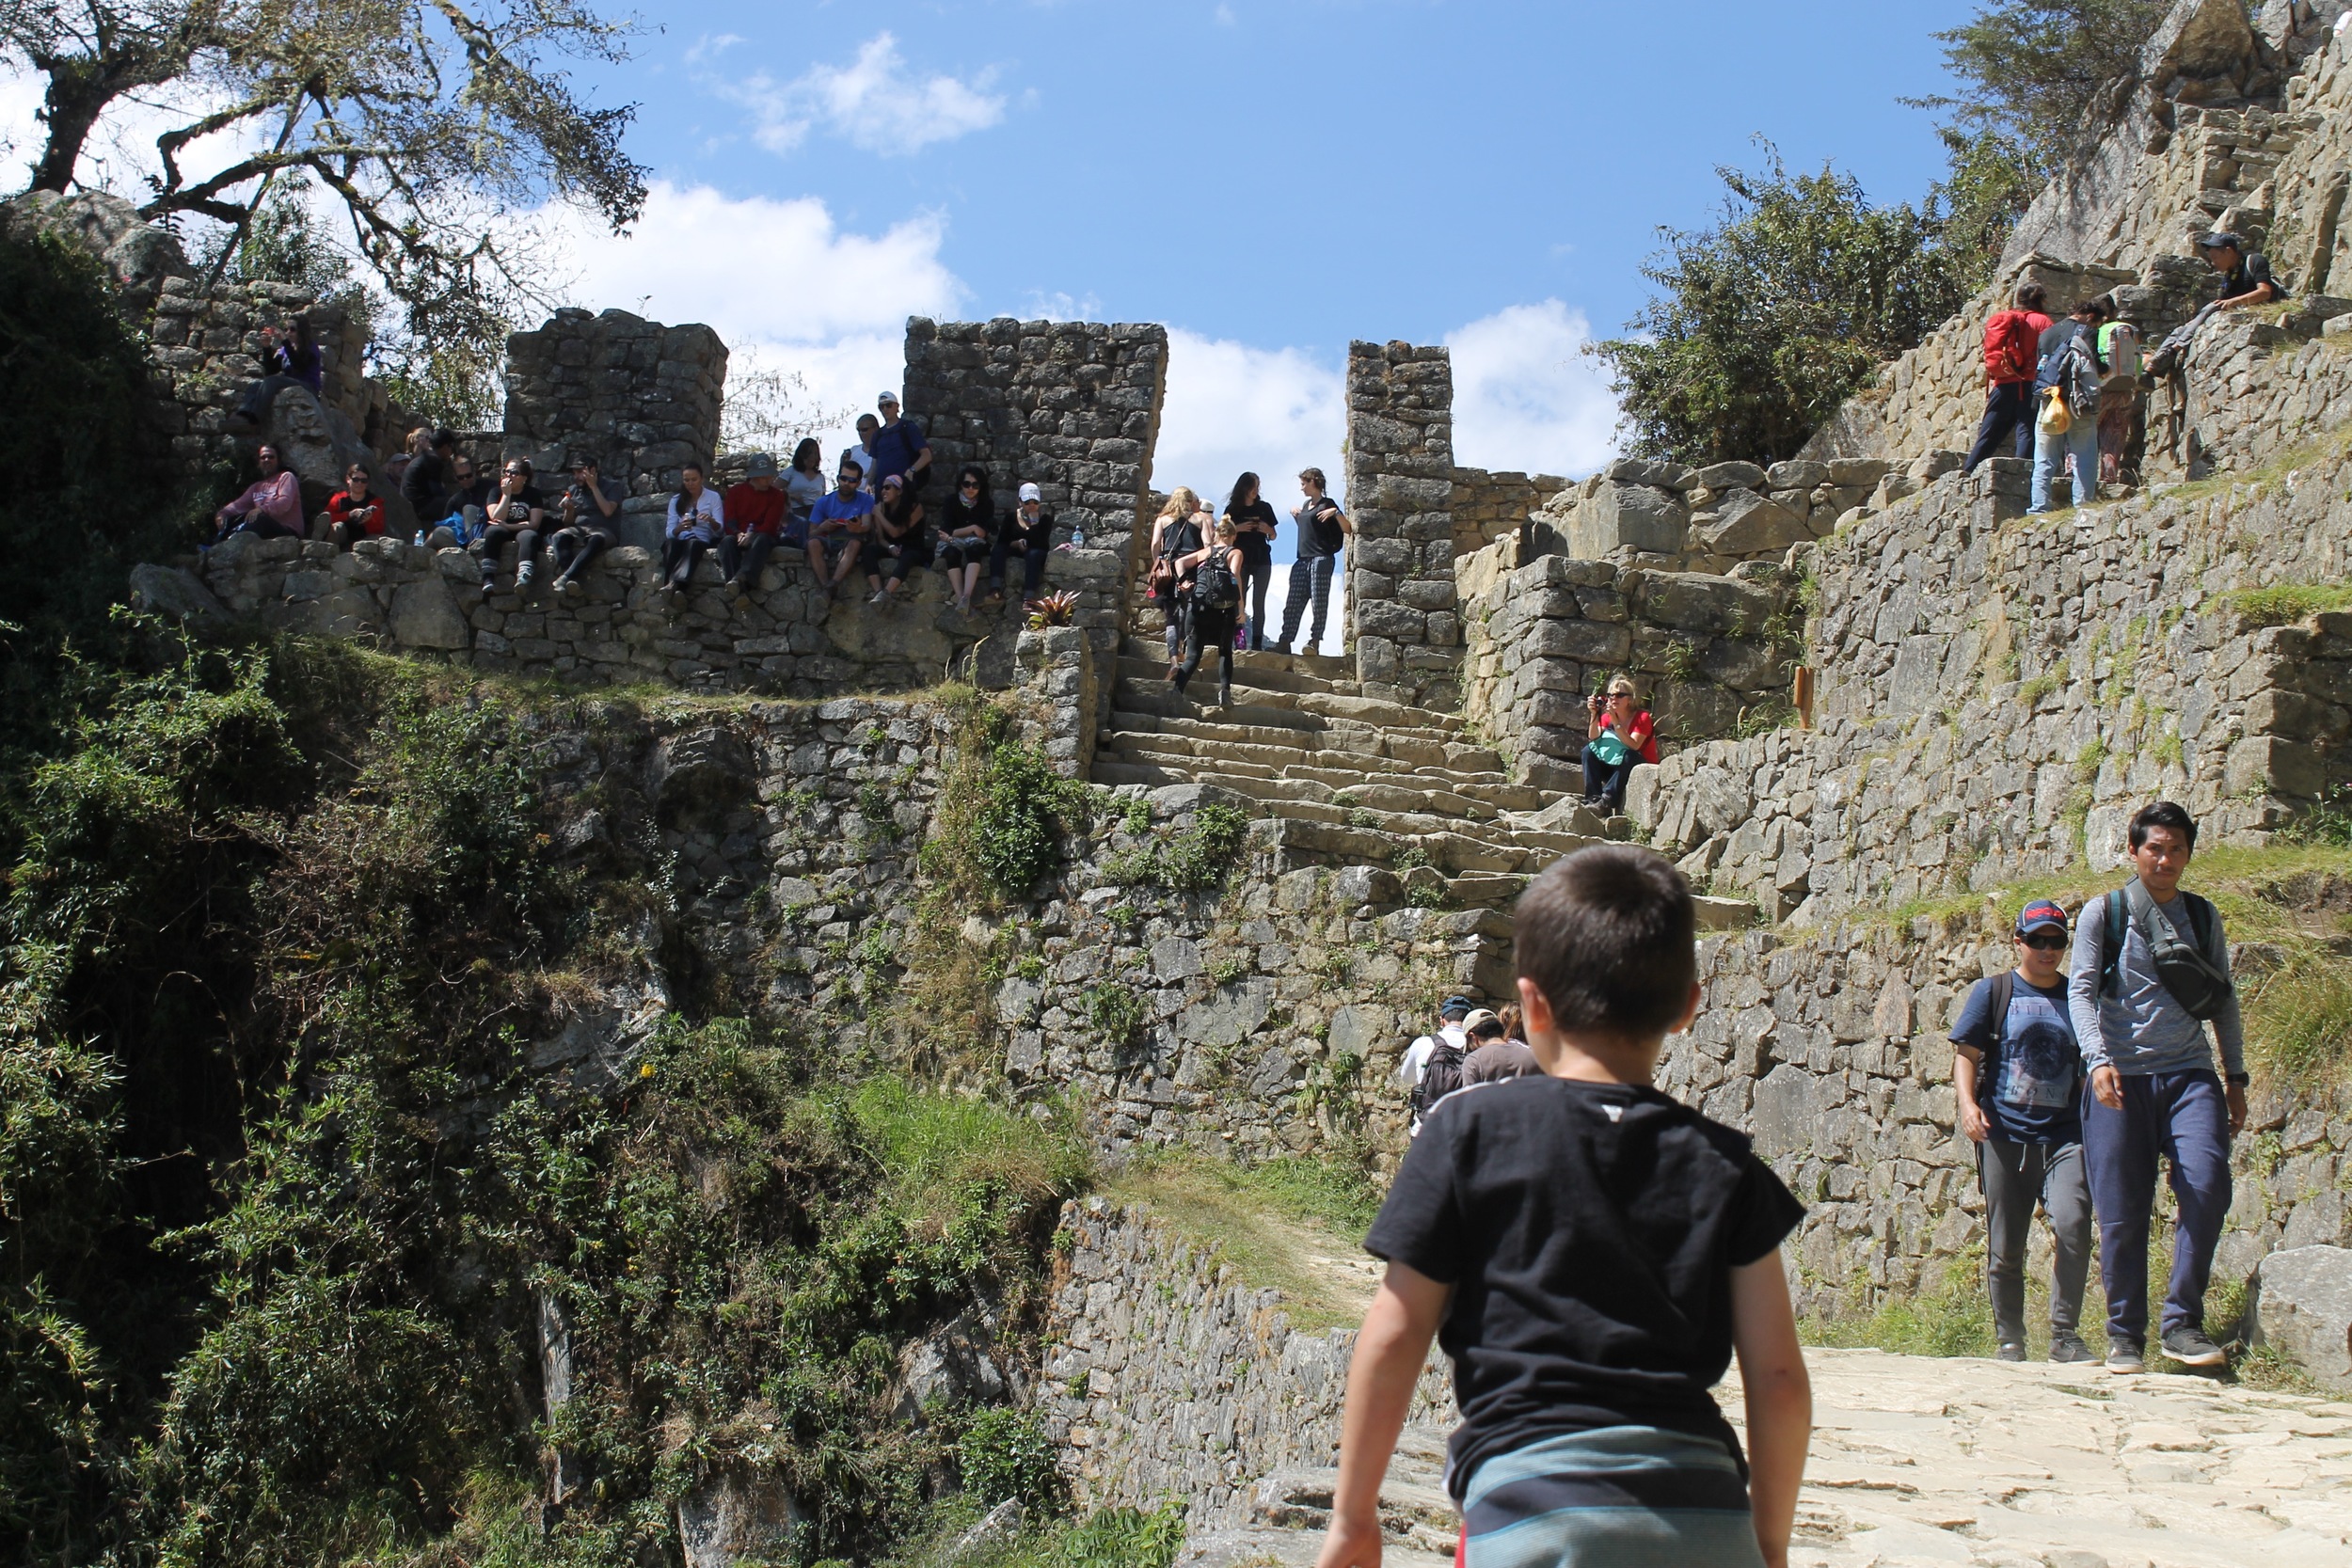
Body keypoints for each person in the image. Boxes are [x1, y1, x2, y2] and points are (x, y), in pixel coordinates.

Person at [1318, 846, 1811, 1568]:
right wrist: (1766, 1542)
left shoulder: (1467, 1132)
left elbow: (1395, 1334)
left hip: (1530, 1504)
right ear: (1687, 1008)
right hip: (1703, 1512)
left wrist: (1354, 1517)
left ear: (1531, 1005)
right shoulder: (1725, 1163)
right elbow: (1779, 1379)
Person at [2068, 800, 2246, 1374]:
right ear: (2133, 850)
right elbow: (2080, 991)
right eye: (2155, 848)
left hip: (2190, 1074)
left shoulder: (2203, 915)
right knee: (2121, 1210)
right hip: (2119, 1080)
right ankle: (2125, 1335)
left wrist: (2234, 1077)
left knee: (2208, 1183)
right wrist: (2097, 1060)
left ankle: (2181, 1324)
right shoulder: (2106, 913)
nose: (2165, 859)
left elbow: (2223, 1001)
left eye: (2176, 849)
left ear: (2188, 854)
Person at [1951, 899, 2094, 1365]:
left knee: (2073, 1225)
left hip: (2064, 1135)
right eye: (2038, 940)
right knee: (2006, 1246)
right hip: (2004, 1133)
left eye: (2056, 941)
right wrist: (1969, 1106)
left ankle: (2065, 1335)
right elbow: (1966, 1055)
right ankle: (2010, 1338)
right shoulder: (1993, 993)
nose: (2047, 950)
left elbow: (2087, 1067)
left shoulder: (2077, 1001)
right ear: (2018, 942)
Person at [1963, 283, 2053, 477]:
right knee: (2026, 430)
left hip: (2002, 384)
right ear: (2041, 299)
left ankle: (1967, 471)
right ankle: (2022, 475)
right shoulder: (2042, 321)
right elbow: (2049, 352)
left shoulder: (2007, 319)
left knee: (1988, 433)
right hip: (2028, 383)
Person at [2029, 298, 2109, 515]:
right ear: (2091, 317)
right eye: (2097, 323)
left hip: (2049, 401)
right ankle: (2083, 506)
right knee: (2084, 454)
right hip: (2077, 401)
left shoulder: (2047, 333)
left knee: (2044, 457)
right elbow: (2092, 365)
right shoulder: (2086, 332)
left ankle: (2038, 507)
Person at [1275, 467, 1350, 656]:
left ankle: (1315, 641)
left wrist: (1337, 513)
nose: (1302, 488)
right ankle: (1285, 641)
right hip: (1303, 560)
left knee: (1319, 601)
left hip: (1321, 559)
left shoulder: (1328, 504)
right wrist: (1297, 517)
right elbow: (1311, 531)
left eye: (1304, 483)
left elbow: (1347, 529)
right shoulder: (1306, 504)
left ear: (1314, 482)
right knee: (1293, 602)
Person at [1172, 516, 1244, 704]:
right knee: (1224, 652)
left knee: (1193, 656)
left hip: (1197, 608)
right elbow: (1235, 577)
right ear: (1233, 536)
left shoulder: (1204, 552)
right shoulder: (1234, 552)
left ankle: (1176, 692)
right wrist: (1241, 608)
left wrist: (1183, 582)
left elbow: (1178, 563)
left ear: (1216, 535)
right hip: (1222, 611)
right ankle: (1225, 693)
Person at [1395, 996, 1474, 1134]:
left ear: (1442, 1020)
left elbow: (1406, 1078)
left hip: (1426, 1129)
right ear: (1469, 1021)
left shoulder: (1423, 1043)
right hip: (1464, 1131)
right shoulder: (1478, 1047)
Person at [546, 455, 622, 596]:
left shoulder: (612, 486)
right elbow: (568, 523)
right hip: (579, 529)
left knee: (596, 539)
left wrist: (593, 486)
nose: (577, 476)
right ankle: (572, 580)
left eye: (580, 472)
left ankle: (566, 577)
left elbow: (608, 511)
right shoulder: (574, 489)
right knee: (558, 536)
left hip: (603, 530)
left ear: (592, 470)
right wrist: (569, 510)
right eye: (575, 473)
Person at [1150, 488, 1206, 675]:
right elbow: (1207, 546)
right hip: (1192, 568)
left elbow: (1155, 544)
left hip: (1169, 569)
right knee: (1187, 613)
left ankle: (1174, 661)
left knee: (1170, 619)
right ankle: (1185, 655)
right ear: (1191, 501)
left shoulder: (1162, 519)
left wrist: (1158, 562)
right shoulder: (1200, 519)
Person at [1582, 675, 1660, 812]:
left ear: (1629, 699)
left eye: (1619, 695)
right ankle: (1592, 800)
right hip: (1614, 765)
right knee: (1588, 751)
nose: (1614, 699)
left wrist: (1616, 722)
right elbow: (1593, 737)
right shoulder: (1607, 717)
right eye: (1610, 695)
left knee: (1630, 755)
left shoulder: (1642, 718)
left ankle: (1606, 801)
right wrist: (1594, 714)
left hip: (1636, 765)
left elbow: (1634, 745)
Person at [475, 459, 549, 599]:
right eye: (506, 471)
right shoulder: (496, 492)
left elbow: (534, 523)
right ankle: (488, 577)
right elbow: (496, 517)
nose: (509, 475)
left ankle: (523, 576)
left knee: (530, 536)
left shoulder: (533, 494)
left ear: (524, 478)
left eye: (514, 473)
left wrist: (509, 526)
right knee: (493, 532)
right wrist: (506, 495)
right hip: (501, 529)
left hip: (523, 528)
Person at [230, 317, 324, 426]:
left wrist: (285, 342)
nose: (288, 333)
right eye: (286, 329)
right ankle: (244, 413)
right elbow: (270, 371)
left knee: (272, 382)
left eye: (292, 329)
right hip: (291, 382)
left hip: (308, 386)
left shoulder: (311, 347)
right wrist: (266, 347)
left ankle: (256, 420)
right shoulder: (285, 349)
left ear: (302, 331)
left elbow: (299, 366)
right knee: (255, 386)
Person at [721, 452, 789, 600]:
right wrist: (738, 533)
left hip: (762, 535)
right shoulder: (735, 492)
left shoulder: (777, 496)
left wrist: (752, 534)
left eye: (769, 476)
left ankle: (741, 578)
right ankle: (735, 584)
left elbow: (771, 524)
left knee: (762, 540)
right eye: (764, 477)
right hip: (739, 534)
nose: (768, 480)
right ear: (754, 477)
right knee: (727, 543)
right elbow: (729, 519)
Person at [1225, 471, 1279, 650]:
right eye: (1253, 486)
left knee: (1259, 602)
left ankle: (1256, 644)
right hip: (1239, 560)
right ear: (1245, 487)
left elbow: (1274, 535)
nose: (1257, 490)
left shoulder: (1264, 508)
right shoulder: (1232, 510)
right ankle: (1239, 642)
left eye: (1258, 486)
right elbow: (1223, 536)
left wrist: (1268, 530)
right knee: (1239, 600)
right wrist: (1237, 528)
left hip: (1262, 559)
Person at [931, 465, 994, 615]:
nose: (970, 488)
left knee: (975, 551)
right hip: (953, 543)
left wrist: (955, 535)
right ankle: (962, 599)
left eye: (975, 485)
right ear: (961, 484)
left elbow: (983, 532)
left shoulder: (986, 503)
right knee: (951, 554)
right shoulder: (951, 501)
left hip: (973, 543)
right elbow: (945, 530)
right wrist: (971, 528)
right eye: (967, 484)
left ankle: (966, 595)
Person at [861, 473, 930, 606]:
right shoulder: (881, 508)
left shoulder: (915, 508)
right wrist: (890, 547)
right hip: (892, 547)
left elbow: (896, 532)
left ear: (899, 491)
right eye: (882, 488)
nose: (883, 491)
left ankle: (886, 592)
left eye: (888, 487)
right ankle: (878, 592)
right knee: (868, 551)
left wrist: (879, 515)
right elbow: (881, 538)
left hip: (913, 548)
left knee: (908, 557)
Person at [805, 459, 874, 591]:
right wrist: (823, 527)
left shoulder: (866, 500)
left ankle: (833, 585)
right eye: (843, 478)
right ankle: (826, 586)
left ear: (858, 483)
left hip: (851, 539)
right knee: (813, 543)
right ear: (838, 479)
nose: (846, 483)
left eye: (852, 481)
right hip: (829, 538)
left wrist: (857, 528)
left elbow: (866, 525)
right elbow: (811, 534)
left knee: (855, 543)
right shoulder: (823, 502)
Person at [211, 444, 302, 541]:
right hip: (264, 529)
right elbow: (237, 506)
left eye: (271, 457)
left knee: (259, 518)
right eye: (263, 457)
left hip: (288, 532)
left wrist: (261, 509)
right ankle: (216, 546)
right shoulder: (256, 487)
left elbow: (284, 503)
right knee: (231, 521)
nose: (267, 460)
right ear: (259, 463)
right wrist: (222, 514)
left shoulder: (286, 477)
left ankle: (229, 543)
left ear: (278, 460)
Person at [662, 461, 723, 600]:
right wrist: (679, 528)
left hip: (701, 540)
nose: (690, 483)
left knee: (693, 544)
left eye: (694, 480)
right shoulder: (676, 500)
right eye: (686, 480)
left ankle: (674, 584)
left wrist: (710, 521)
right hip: (682, 538)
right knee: (671, 544)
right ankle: (671, 587)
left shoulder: (713, 497)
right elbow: (669, 532)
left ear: (702, 479)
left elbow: (720, 530)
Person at [988, 482, 1055, 604]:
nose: (1031, 506)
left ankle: (1028, 598)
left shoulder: (1045, 519)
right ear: (1020, 502)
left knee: (1033, 554)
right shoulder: (1011, 517)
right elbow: (1003, 540)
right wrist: (1017, 543)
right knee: (998, 549)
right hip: (1015, 547)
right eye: (1027, 503)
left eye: (1035, 502)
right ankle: (995, 589)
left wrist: (1034, 522)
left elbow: (1042, 544)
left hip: (1035, 551)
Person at [2199, 230, 2285, 311]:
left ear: (2229, 251)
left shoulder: (2253, 261)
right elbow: (2222, 303)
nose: (2213, 263)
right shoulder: (2229, 278)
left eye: (2215, 258)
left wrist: (2234, 301)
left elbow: (2265, 292)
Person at [1461, 1006, 1541, 1086]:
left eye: (1469, 1045)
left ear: (1473, 1037)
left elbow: (1469, 1096)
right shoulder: (1531, 1055)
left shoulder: (1473, 1061)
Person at [869, 391, 931, 493]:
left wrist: (911, 471)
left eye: (888, 405)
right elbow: (875, 463)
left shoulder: (907, 428)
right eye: (881, 407)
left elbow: (926, 455)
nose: (885, 409)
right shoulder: (878, 434)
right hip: (882, 489)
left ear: (897, 406)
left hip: (903, 488)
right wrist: (869, 484)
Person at [316, 462, 386, 547]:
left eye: (364, 481)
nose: (359, 483)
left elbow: (379, 529)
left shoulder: (376, 502)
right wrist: (349, 515)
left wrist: (368, 520)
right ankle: (326, 551)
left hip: (364, 539)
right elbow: (327, 518)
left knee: (377, 538)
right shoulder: (339, 498)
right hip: (341, 536)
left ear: (367, 483)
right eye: (356, 479)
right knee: (337, 527)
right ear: (348, 479)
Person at [400, 427, 454, 525]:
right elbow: (437, 491)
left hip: (409, 503)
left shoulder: (426, 456)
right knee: (456, 504)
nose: (451, 452)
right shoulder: (433, 460)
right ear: (445, 446)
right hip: (418, 506)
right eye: (451, 447)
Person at [784, 437, 829, 533]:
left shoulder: (820, 477)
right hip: (795, 511)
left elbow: (823, 499)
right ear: (801, 455)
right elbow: (775, 490)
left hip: (815, 513)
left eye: (814, 454)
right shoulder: (791, 471)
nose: (812, 458)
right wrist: (792, 496)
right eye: (808, 454)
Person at [847, 415, 881, 493]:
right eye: (859, 430)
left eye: (865, 430)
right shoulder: (853, 451)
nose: (861, 433)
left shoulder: (885, 451)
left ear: (876, 429)